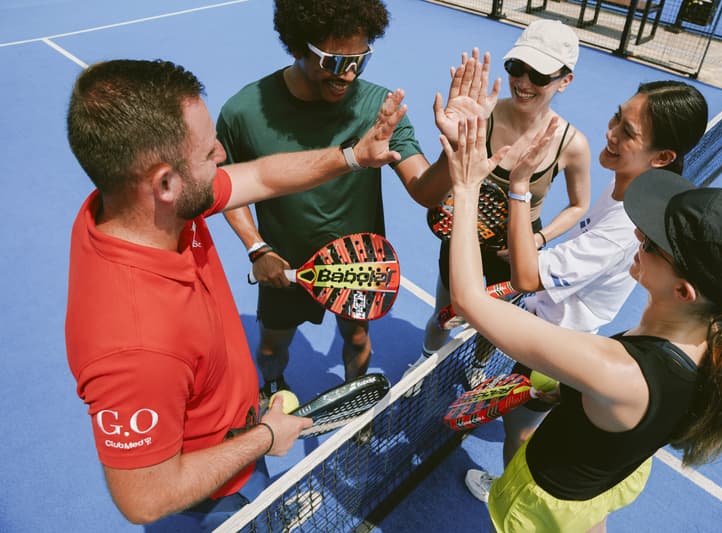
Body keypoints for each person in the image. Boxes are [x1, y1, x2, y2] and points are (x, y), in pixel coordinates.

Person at [64, 58, 408, 531]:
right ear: (165, 184)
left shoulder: (138, 210)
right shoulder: (135, 346)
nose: (223, 155)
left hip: (241, 436)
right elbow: (144, 499)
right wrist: (266, 437)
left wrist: (352, 156)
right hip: (209, 501)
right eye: (208, 153)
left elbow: (262, 177)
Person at [445, 116, 722, 532]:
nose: (637, 233)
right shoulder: (714, 344)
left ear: (683, 292)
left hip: (543, 510)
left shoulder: (616, 369)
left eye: (649, 241)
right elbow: (633, 416)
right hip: (600, 485)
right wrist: (569, 394)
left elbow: (468, 299)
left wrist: (466, 189)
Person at [464, 79, 710, 503]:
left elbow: (526, 276)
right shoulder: (630, 189)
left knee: (519, 431)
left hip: (559, 343)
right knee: (531, 423)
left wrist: (520, 185)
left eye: (628, 132)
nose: (610, 131)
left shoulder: (624, 227)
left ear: (664, 157)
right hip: (561, 332)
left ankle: (507, 494)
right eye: (617, 116)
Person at [218, 0, 462, 402]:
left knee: (358, 336)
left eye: (360, 60)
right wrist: (256, 246)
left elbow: (425, 191)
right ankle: (273, 386)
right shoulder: (244, 112)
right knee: (269, 348)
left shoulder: (379, 109)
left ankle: (355, 396)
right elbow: (226, 185)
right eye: (333, 61)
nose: (348, 74)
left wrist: (453, 149)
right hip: (284, 263)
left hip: (360, 262)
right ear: (299, 47)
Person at [421, 19, 592, 359]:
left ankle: (480, 365)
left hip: (516, 249)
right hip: (462, 234)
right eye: (517, 67)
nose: (524, 83)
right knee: (444, 315)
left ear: (565, 81)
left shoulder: (572, 145)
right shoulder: (478, 116)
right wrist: (454, 141)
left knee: (496, 326)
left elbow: (579, 205)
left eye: (540, 75)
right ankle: (424, 361)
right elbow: (441, 182)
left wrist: (537, 241)